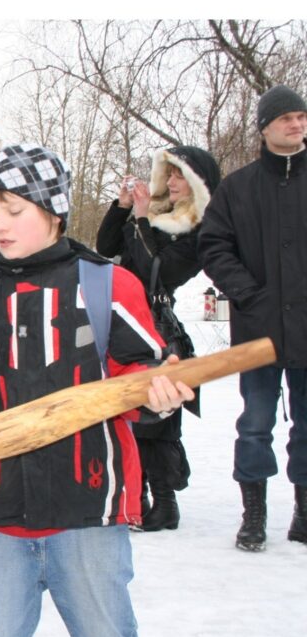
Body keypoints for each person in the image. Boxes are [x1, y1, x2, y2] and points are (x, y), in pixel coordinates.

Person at [0, 143, 192, 637]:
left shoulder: (107, 286)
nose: (0, 226)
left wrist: (160, 391)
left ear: (55, 211)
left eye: (15, 211)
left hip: (87, 519)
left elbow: (140, 375)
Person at [198, 85, 307, 551]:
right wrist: (247, 293)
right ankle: (254, 515)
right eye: (286, 118)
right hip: (257, 330)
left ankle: (304, 512)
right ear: (265, 127)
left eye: (301, 118)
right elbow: (213, 245)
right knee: (255, 424)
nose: (296, 125)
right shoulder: (237, 187)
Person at [96, 145, 219, 530]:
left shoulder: (200, 228)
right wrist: (121, 207)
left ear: (198, 182)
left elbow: (156, 272)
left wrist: (143, 217)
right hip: (126, 321)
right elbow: (107, 247)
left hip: (159, 326)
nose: (172, 182)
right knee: (131, 409)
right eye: (169, 174)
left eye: (180, 175)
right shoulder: (156, 218)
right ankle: (140, 496)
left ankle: (165, 502)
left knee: (160, 418)